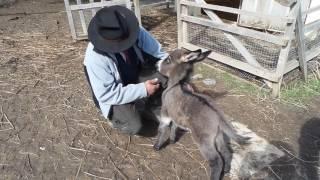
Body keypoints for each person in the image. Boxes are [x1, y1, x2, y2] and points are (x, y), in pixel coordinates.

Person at [83, 5, 169, 135]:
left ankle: (145, 104)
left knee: (166, 76)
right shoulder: (94, 58)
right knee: (136, 125)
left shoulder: (135, 31)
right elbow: (106, 94)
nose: (123, 45)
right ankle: (118, 116)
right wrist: (143, 89)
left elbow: (159, 53)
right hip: (114, 91)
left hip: (135, 75)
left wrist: (175, 72)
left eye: (125, 40)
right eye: (118, 43)